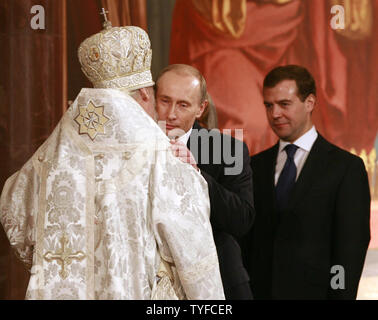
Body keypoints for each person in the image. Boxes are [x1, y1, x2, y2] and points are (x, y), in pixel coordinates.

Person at [0, 17, 224, 300]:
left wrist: (46, 261)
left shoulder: (52, 152)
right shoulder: (160, 154)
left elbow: (13, 207)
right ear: (144, 93)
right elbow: (194, 253)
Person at [243, 65, 371, 299]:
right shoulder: (253, 166)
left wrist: (339, 297)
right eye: (268, 105)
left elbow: (349, 250)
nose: (275, 114)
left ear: (310, 102)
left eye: (284, 104)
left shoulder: (346, 168)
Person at [155, 64, 255, 299]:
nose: (171, 113)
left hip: (218, 282)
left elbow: (242, 219)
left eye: (183, 105)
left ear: (201, 108)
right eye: (165, 100)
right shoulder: (132, 148)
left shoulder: (228, 150)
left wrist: (197, 173)